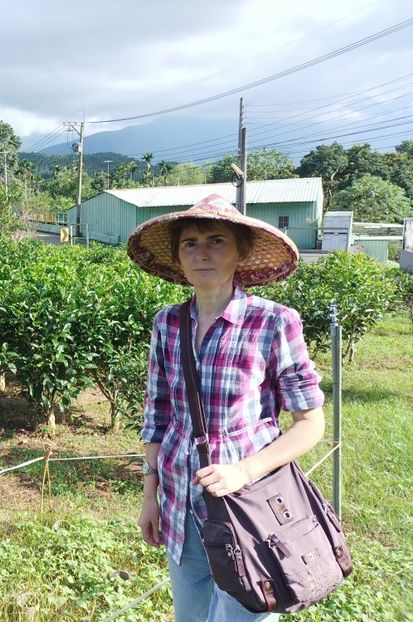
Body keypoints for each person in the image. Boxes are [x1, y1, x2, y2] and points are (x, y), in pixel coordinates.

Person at [127, 194, 326, 622]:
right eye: (190, 243)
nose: (201, 253)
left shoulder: (274, 322)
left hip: (249, 510)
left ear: (241, 252)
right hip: (181, 505)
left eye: (216, 240)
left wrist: (243, 471)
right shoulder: (168, 322)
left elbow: (310, 423)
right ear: (179, 257)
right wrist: (150, 496)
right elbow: (157, 415)